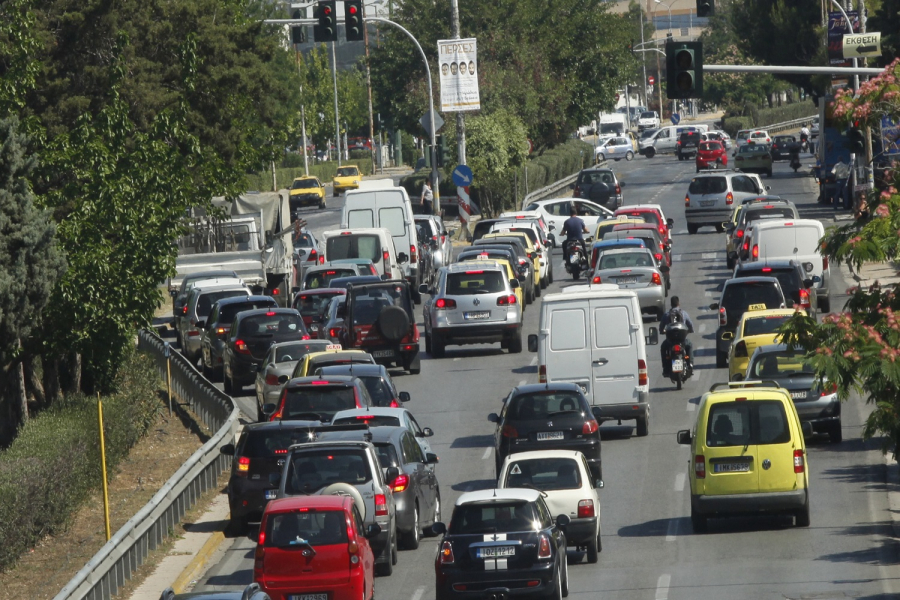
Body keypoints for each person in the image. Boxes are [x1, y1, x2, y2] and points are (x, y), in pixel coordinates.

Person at [659, 296, 695, 377]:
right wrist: (690, 331)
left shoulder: (666, 315)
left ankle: (665, 368)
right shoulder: (684, 313)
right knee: (689, 345)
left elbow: (661, 327)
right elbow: (691, 325)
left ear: (671, 304)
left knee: (663, 348)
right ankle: (690, 365)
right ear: (679, 303)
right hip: (682, 341)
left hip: (670, 342)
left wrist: (662, 331)